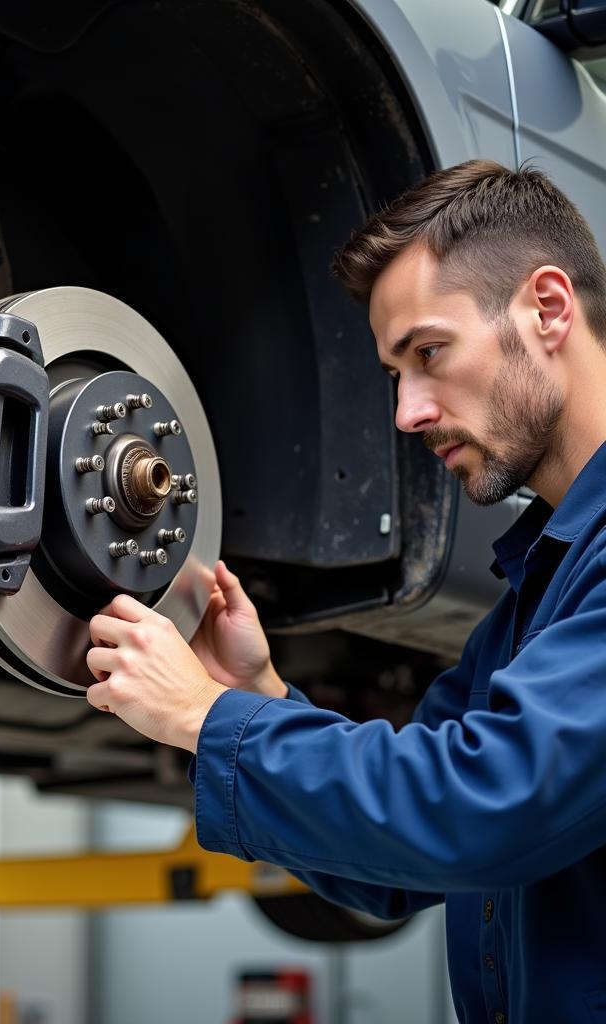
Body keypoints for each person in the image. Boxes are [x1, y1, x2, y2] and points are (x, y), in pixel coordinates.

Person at [85, 160, 606, 1024]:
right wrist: (252, 695)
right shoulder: (533, 600)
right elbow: (397, 861)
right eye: (395, 374)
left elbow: (486, 806)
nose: (406, 412)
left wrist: (204, 719)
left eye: (429, 353)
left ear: (547, 308)